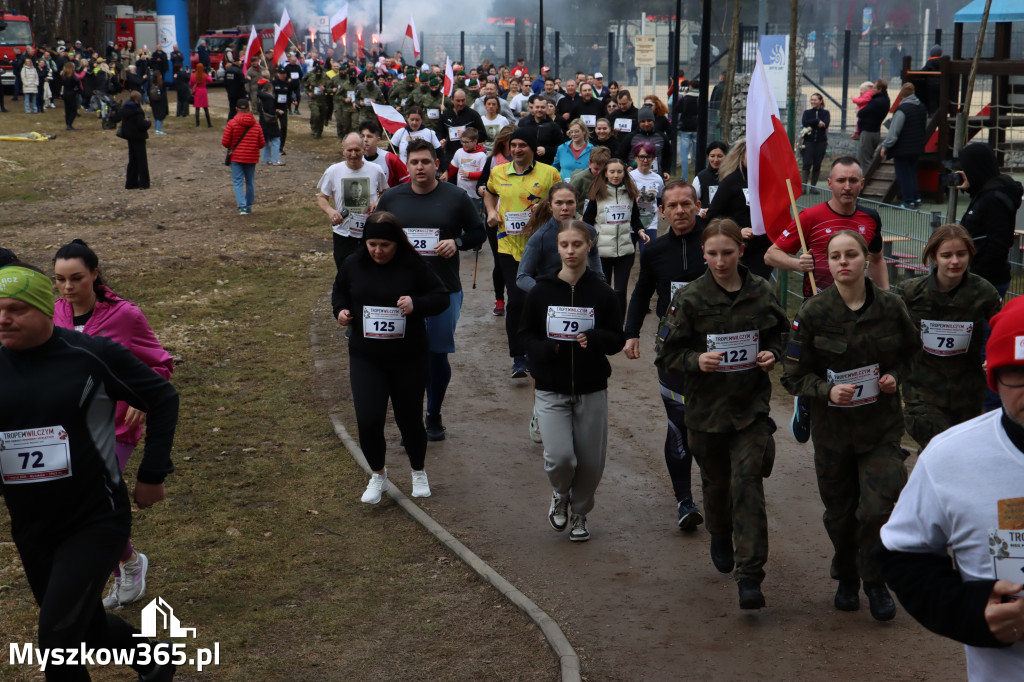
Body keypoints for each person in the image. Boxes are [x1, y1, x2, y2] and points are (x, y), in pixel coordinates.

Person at [0, 263, 179, 681]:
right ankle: (154, 659)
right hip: (32, 524)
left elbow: (162, 398)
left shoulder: (91, 355)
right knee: (85, 630)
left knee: (57, 641)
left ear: (47, 310)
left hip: (95, 519)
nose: (3, 318)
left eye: (15, 309)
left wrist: (152, 473)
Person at [879, 295, 1024, 678]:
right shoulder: (951, 457)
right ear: (993, 375)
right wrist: (971, 612)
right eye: (1019, 373)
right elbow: (903, 555)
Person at [782, 230, 921, 622]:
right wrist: (826, 390)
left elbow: (913, 354)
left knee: (877, 509)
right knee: (841, 514)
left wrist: (896, 376)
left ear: (865, 260)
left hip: (881, 430)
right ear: (827, 263)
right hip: (833, 434)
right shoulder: (812, 313)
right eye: (836, 256)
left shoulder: (892, 307)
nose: (843, 262)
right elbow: (792, 375)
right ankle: (846, 576)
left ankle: (875, 582)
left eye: (851, 255)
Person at [655, 218, 788, 609]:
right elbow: (665, 353)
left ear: (740, 251)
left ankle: (750, 577)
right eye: (711, 254)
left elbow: (781, 333)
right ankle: (718, 530)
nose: (719, 261)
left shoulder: (762, 291)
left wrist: (772, 354)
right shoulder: (691, 298)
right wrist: (697, 360)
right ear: (703, 254)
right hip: (705, 412)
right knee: (716, 484)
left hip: (750, 410)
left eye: (727, 253)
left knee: (748, 485)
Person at [52, 240, 175, 610]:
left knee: (95, 499)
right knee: (76, 502)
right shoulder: (54, 312)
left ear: (94, 273)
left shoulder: (125, 315)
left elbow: (160, 363)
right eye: (60, 280)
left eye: (76, 278)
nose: (69, 287)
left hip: (116, 425)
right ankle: (128, 558)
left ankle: (122, 568)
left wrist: (140, 397)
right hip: (68, 426)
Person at [518, 219, 626, 542]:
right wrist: (549, 347)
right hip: (551, 387)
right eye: (564, 245)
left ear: (588, 246)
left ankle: (580, 512)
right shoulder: (541, 291)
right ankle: (560, 494)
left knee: (591, 463)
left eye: (576, 245)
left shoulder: (604, 293)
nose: (569, 251)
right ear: (557, 247)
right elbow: (525, 336)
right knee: (561, 457)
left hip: (592, 388)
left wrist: (594, 338)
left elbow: (617, 340)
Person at [331, 212, 450, 502]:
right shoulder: (353, 263)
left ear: (396, 243)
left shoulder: (414, 266)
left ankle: (418, 470)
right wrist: (341, 311)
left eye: (384, 244)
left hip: (408, 356)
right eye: (372, 244)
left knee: (408, 418)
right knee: (368, 419)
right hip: (366, 356)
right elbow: (339, 292)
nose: (377, 251)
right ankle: (378, 475)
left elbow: (441, 297)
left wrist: (416, 304)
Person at [376, 139, 486, 440]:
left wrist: (458, 242)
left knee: (436, 355)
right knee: (405, 357)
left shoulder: (455, 197)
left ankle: (433, 413)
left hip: (443, 291)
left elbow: (479, 232)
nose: (420, 167)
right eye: (414, 162)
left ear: (437, 164)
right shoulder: (392, 199)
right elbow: (375, 238)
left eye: (426, 161)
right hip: (400, 293)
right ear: (406, 165)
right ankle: (409, 418)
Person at [623, 180, 708, 530]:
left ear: (697, 205)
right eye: (671, 206)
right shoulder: (655, 251)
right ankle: (684, 501)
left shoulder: (716, 241)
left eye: (686, 204)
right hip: (672, 349)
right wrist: (630, 334)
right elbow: (642, 293)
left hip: (716, 345)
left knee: (717, 424)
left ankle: (722, 493)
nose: (680, 211)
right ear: (661, 211)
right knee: (680, 424)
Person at [898, 224, 1001, 450]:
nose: (954, 261)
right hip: (922, 392)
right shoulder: (910, 292)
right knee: (941, 448)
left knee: (963, 456)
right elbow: (884, 326)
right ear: (934, 256)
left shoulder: (984, 292)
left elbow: (1002, 328)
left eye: (961, 254)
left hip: (967, 393)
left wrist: (995, 355)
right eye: (946, 255)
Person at [484, 128, 562, 378]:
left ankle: (545, 349)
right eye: (513, 145)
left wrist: (547, 207)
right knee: (517, 300)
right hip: (509, 247)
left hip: (542, 247)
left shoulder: (549, 173)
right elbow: (489, 192)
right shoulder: (498, 172)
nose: (516, 150)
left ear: (532, 148)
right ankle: (519, 357)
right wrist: (491, 212)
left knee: (543, 298)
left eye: (522, 145)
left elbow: (564, 200)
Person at [765, 156, 888, 298]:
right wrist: (798, 264)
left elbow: (877, 259)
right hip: (817, 306)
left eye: (853, 181)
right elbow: (771, 255)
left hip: (857, 304)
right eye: (841, 180)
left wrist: (886, 295)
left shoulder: (871, 217)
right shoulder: (809, 217)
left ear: (862, 184)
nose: (847, 187)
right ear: (829, 184)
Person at [581, 157, 650, 314]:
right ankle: (602, 324)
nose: (616, 175)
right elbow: (587, 221)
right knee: (603, 291)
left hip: (625, 251)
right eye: (612, 172)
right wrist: (588, 241)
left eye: (619, 172)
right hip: (602, 252)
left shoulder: (631, 194)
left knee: (620, 291)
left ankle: (619, 327)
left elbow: (635, 218)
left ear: (624, 174)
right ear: (605, 173)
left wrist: (640, 231)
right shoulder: (597, 194)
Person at [957, 141, 1024, 298]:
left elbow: (998, 242)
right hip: (983, 275)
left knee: (981, 321)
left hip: (987, 279)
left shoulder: (993, 199)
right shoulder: (988, 192)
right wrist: (972, 188)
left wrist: (975, 274)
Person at [318, 132, 388, 273]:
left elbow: (385, 191)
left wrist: (378, 202)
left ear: (364, 149)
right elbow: (322, 197)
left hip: (369, 231)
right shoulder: (333, 171)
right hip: (343, 232)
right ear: (343, 150)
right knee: (345, 272)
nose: (354, 154)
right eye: (349, 150)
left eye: (357, 150)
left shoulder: (376, 170)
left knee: (371, 272)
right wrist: (331, 211)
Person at [706, 139, 771, 280]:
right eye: (751, 153)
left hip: (763, 250)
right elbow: (713, 215)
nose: (755, 157)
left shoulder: (769, 181)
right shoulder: (731, 182)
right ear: (742, 156)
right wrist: (737, 230)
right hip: (737, 250)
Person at [476, 124, 516, 317]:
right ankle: (500, 299)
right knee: (501, 259)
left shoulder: (524, 160)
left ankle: (518, 298)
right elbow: (481, 183)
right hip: (495, 218)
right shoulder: (492, 160)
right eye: (511, 143)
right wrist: (483, 190)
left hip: (518, 217)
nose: (515, 148)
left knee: (519, 259)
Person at [880, 82, 926, 208]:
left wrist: (885, 146)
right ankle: (916, 198)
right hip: (917, 146)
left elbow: (894, 132)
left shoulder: (902, 110)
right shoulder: (921, 107)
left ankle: (908, 201)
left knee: (903, 175)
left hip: (903, 148)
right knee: (911, 172)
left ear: (902, 94)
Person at [221, 98, 266, 215]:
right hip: (251, 157)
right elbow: (262, 143)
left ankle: (242, 207)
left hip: (236, 157)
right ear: (249, 109)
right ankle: (249, 205)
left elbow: (225, 142)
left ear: (236, 109)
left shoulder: (232, 123)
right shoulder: (256, 125)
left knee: (238, 182)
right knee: (250, 181)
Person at [110, 91, 152, 190]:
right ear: (138, 100)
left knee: (132, 160)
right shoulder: (137, 110)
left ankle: (130, 183)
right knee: (142, 161)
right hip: (138, 137)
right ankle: (144, 183)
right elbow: (141, 125)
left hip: (130, 137)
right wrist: (148, 123)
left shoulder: (126, 108)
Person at [629, 140, 665, 245]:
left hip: (650, 223)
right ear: (636, 158)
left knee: (648, 256)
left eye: (649, 157)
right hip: (631, 224)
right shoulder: (629, 178)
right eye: (642, 157)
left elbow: (660, 199)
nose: (645, 160)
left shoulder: (658, 179)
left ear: (653, 158)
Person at [517, 94, 566, 167]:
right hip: (526, 165)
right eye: (537, 107)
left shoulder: (554, 126)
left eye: (542, 107)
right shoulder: (523, 123)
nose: (539, 110)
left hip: (546, 165)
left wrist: (546, 150)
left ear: (547, 108)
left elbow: (562, 147)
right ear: (533, 108)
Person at [855, 80, 889, 172]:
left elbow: (861, 113)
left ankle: (866, 180)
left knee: (864, 159)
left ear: (880, 89)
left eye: (874, 88)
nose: (872, 90)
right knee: (869, 157)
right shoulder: (886, 99)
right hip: (876, 131)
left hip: (868, 132)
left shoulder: (876, 102)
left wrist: (858, 111)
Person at [693, 141, 728, 228]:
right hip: (706, 225)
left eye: (719, 156)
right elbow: (691, 202)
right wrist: (701, 212)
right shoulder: (700, 178)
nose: (715, 160)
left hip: (727, 225)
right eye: (712, 156)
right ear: (708, 157)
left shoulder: (731, 176)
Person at [800, 93, 830, 187]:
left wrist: (813, 124)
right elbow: (805, 123)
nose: (813, 102)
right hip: (809, 141)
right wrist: (817, 121)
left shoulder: (825, 113)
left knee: (817, 164)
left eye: (815, 100)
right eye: (812, 100)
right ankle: (803, 187)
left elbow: (825, 124)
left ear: (820, 101)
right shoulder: (807, 112)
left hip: (821, 142)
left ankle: (813, 187)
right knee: (807, 163)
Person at [257, 79, 284, 166]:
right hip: (270, 121)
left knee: (266, 140)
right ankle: (276, 160)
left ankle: (265, 159)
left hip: (262, 120)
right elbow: (271, 111)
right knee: (276, 139)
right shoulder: (269, 97)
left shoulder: (259, 96)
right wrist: (278, 112)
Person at [58, 61, 81, 130]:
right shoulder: (73, 76)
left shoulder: (63, 75)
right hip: (72, 93)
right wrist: (77, 89)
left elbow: (61, 83)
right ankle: (70, 124)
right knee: (73, 110)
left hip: (65, 93)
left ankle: (68, 123)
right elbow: (78, 82)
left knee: (67, 110)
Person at [190, 62, 213, 127]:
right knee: (205, 109)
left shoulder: (192, 75)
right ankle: (209, 123)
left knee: (197, 108)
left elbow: (191, 84)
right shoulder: (204, 75)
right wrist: (209, 75)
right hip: (203, 92)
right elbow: (210, 81)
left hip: (197, 92)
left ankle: (197, 123)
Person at [148, 70, 169, 135]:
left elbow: (148, 92)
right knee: (160, 115)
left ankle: (157, 129)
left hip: (153, 101)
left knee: (156, 115)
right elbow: (172, 83)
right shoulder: (162, 83)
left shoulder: (151, 83)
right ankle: (158, 130)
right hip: (161, 101)